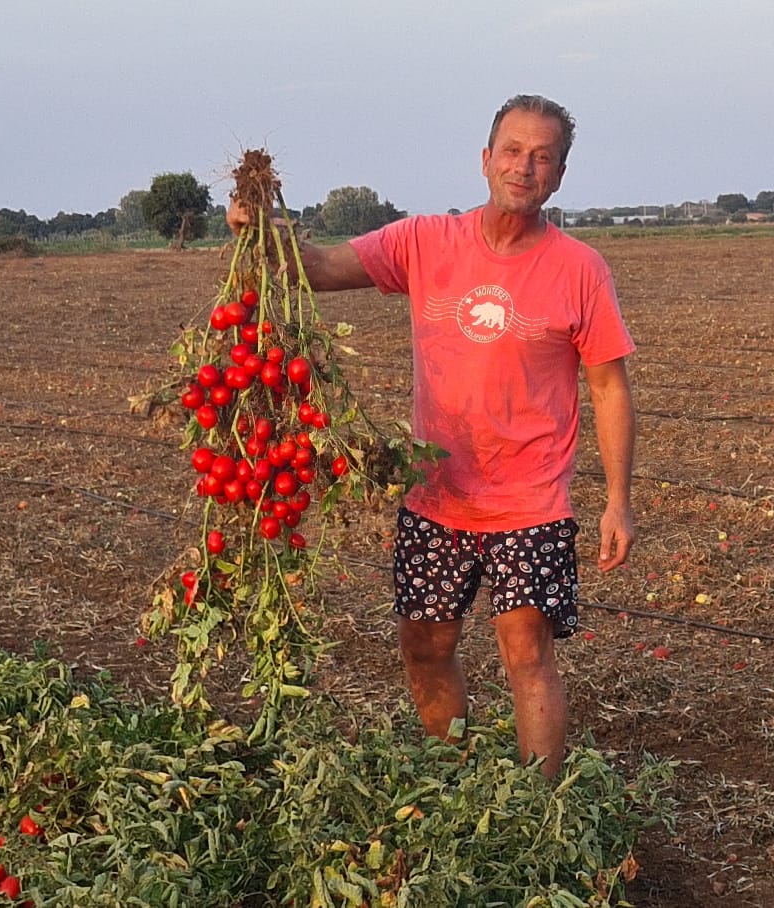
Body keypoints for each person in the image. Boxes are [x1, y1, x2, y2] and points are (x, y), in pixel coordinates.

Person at [228, 94, 636, 778]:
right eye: (513, 150)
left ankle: (540, 810)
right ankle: (453, 778)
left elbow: (609, 389)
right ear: (486, 159)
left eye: (542, 157)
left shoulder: (580, 269)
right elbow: (317, 268)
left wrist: (618, 500)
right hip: (435, 496)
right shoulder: (423, 241)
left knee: (526, 652)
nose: (524, 167)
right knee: (424, 645)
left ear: (560, 176)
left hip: (530, 502)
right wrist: (261, 230)